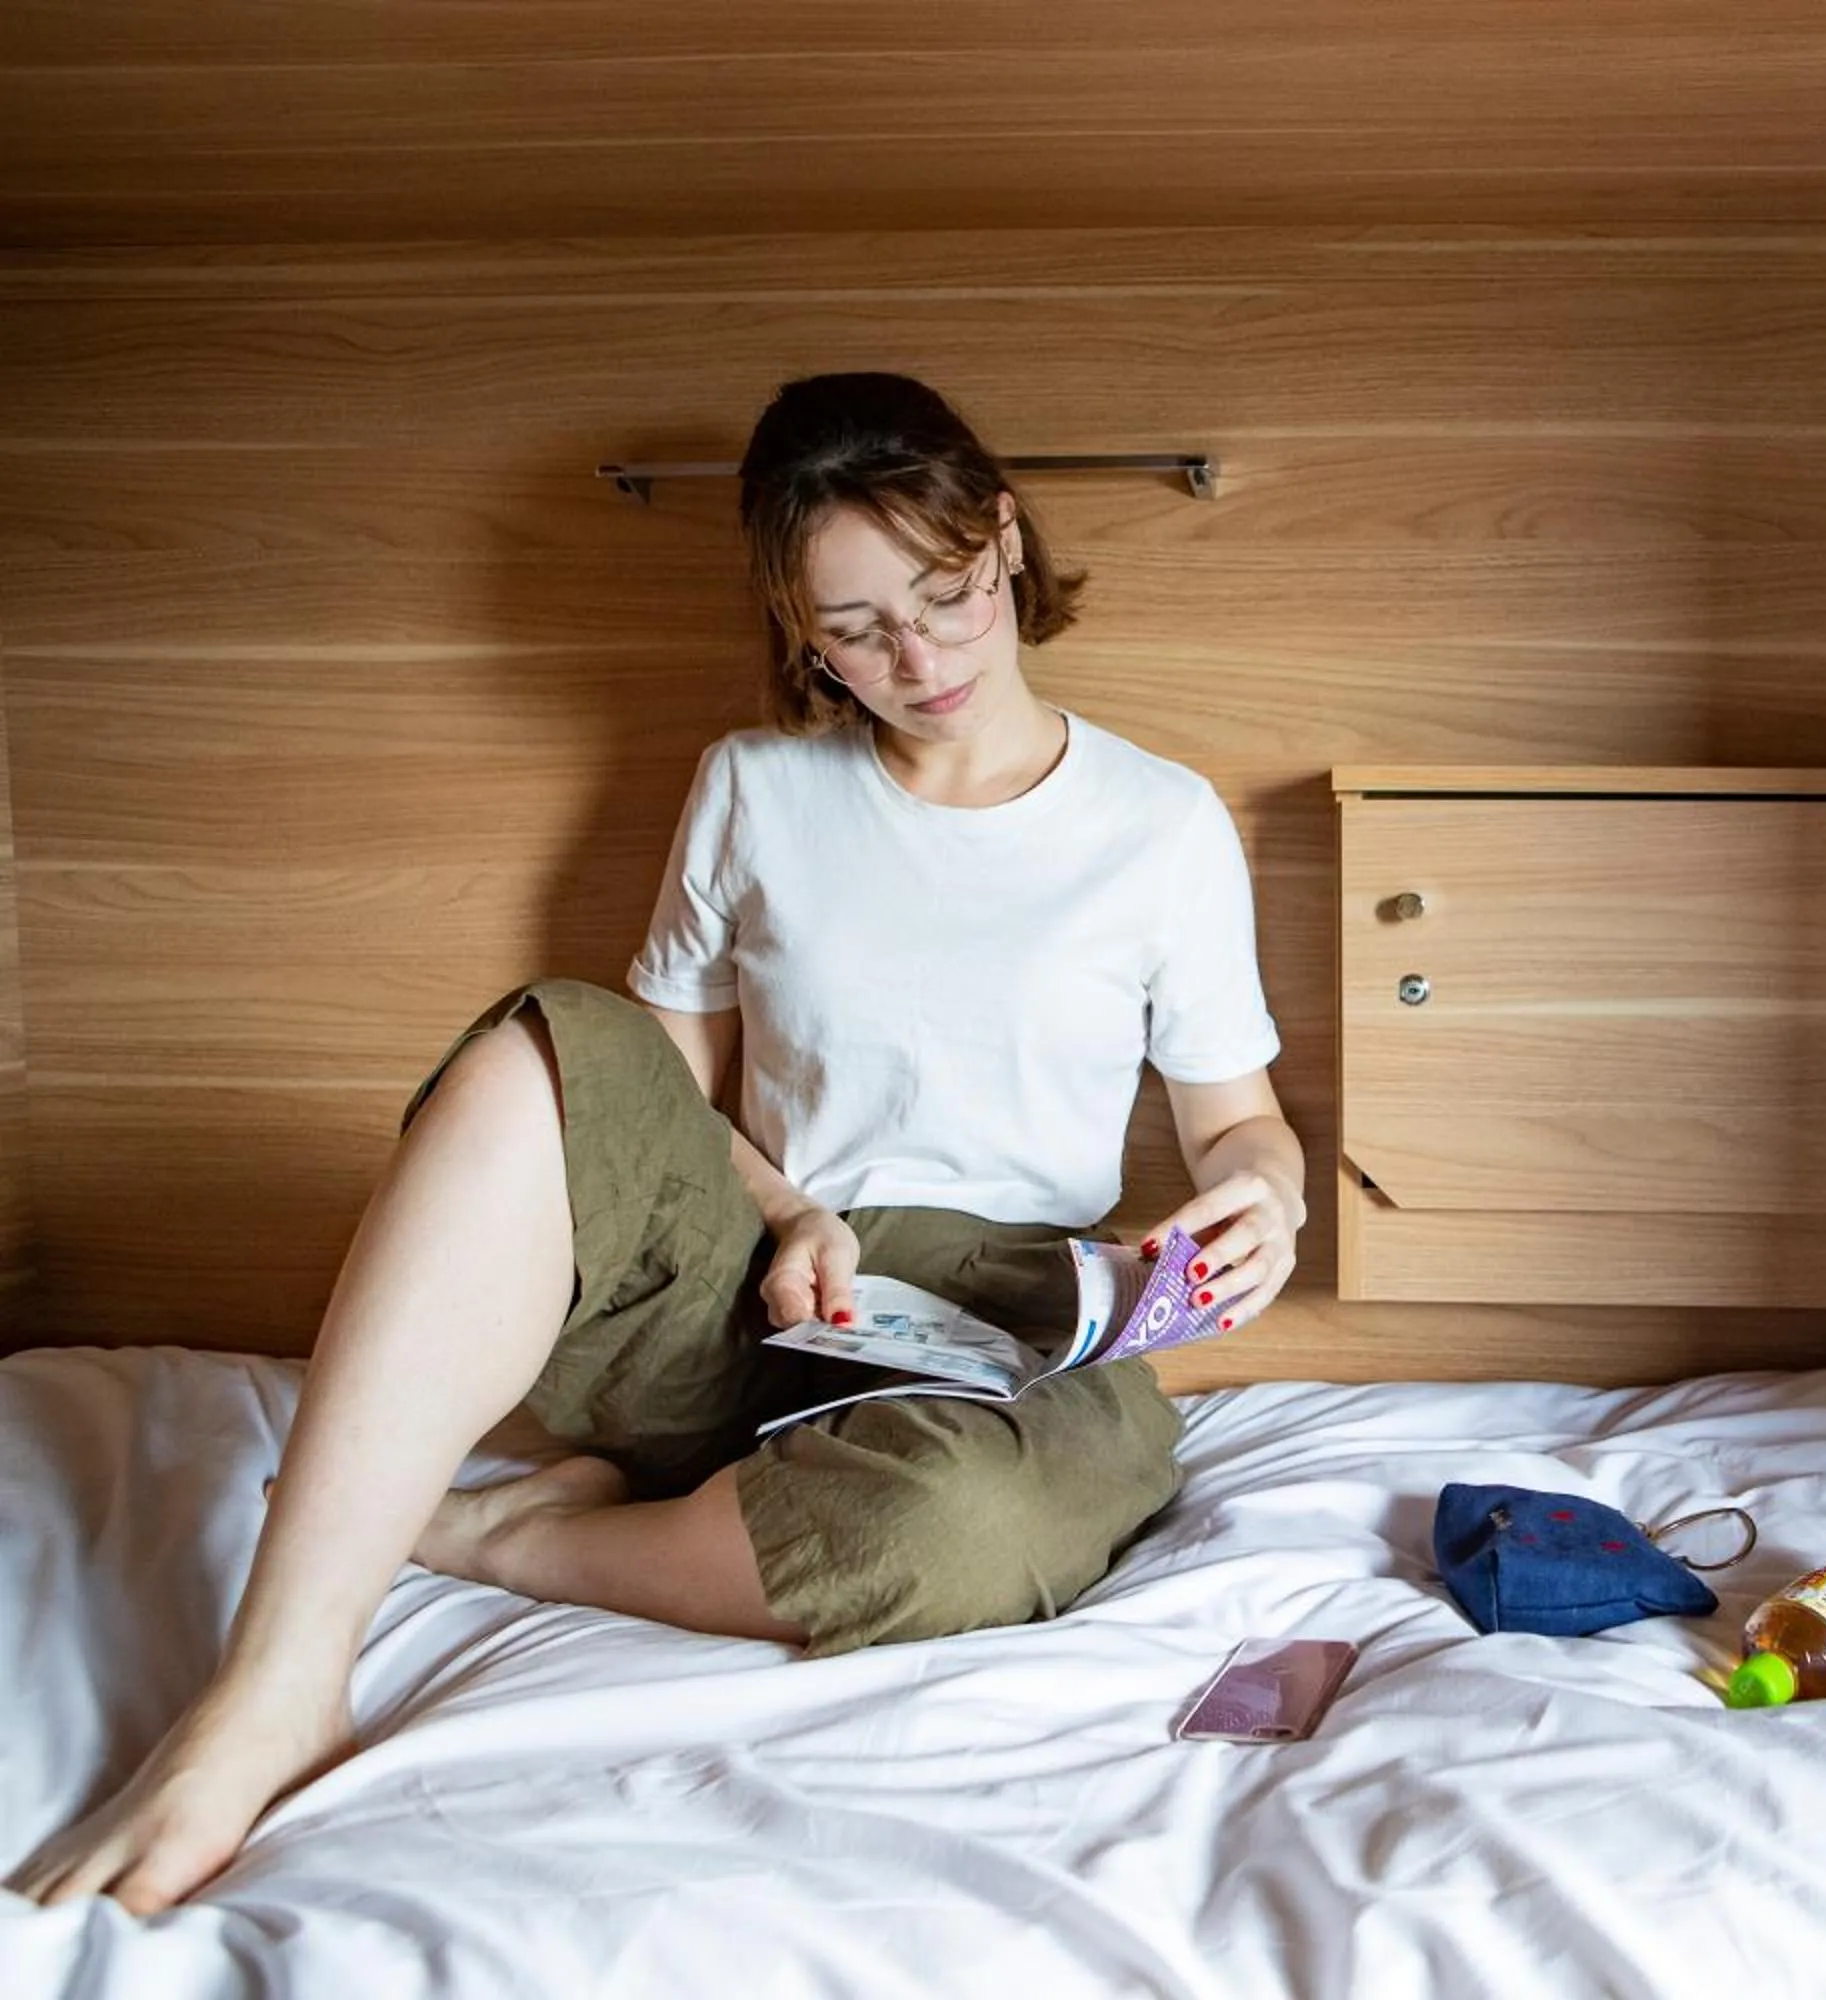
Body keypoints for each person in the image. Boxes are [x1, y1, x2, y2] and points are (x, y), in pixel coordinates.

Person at [8, 371, 1305, 1915]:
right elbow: (651, 1101)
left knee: (967, 1524)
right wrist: (788, 1214)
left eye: (946, 597)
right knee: (543, 1043)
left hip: (1008, 1315)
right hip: (752, 1286)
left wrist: (1261, 1201)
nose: (921, 658)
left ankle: (512, 1541)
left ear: (1005, 542)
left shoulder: (1157, 825)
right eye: (855, 628)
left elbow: (1242, 1123)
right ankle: (276, 1687)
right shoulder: (754, 785)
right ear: (796, 627)